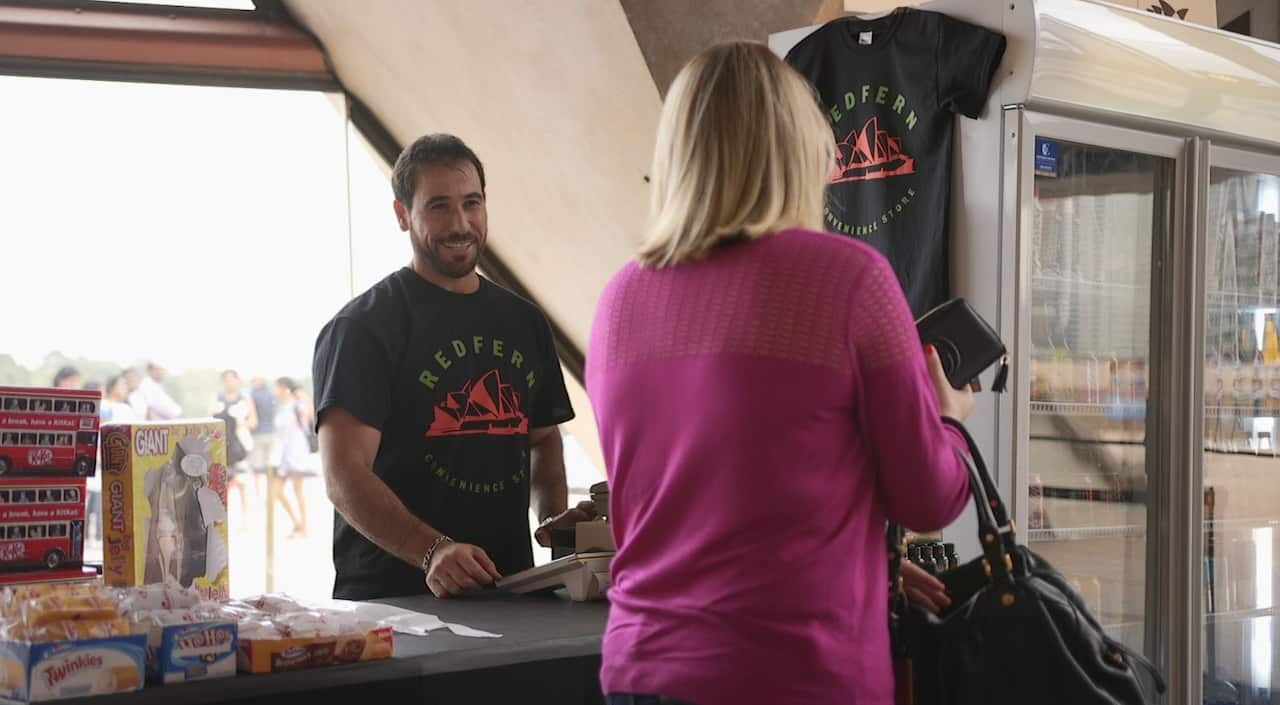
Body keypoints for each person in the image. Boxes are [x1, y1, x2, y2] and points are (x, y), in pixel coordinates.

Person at [585, 43, 975, 705]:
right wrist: (950, 419)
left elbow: (708, 498)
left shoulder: (618, 298)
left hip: (640, 668)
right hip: (792, 673)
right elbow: (927, 497)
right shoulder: (850, 279)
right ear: (801, 150)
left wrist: (864, 558)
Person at [312, 133, 585, 601]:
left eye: (471, 203)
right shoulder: (364, 327)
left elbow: (542, 440)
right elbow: (344, 475)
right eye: (438, 206)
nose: (460, 223)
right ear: (403, 215)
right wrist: (431, 551)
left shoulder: (524, 322)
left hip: (512, 593)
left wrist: (551, 521)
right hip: (396, 607)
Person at [211, 370, 258, 531]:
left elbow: (253, 421)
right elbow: (209, 419)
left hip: (239, 446)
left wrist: (241, 421)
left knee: (243, 483)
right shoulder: (217, 399)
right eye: (227, 380)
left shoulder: (244, 399)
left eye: (232, 379)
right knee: (222, 484)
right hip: (222, 446)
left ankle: (245, 520)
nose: (230, 382)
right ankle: (223, 519)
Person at [270, 377, 311, 540]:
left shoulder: (297, 405)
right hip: (282, 455)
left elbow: (311, 415)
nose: (275, 391)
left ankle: (304, 527)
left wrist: (303, 396)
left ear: (284, 388)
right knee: (277, 491)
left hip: (297, 453)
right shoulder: (281, 408)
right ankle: (297, 523)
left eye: (277, 388)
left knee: (297, 490)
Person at [247, 377, 276, 501]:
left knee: (256, 466)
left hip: (257, 433)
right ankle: (270, 491)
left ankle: (258, 493)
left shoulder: (251, 395)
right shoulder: (271, 394)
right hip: (271, 432)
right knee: (269, 464)